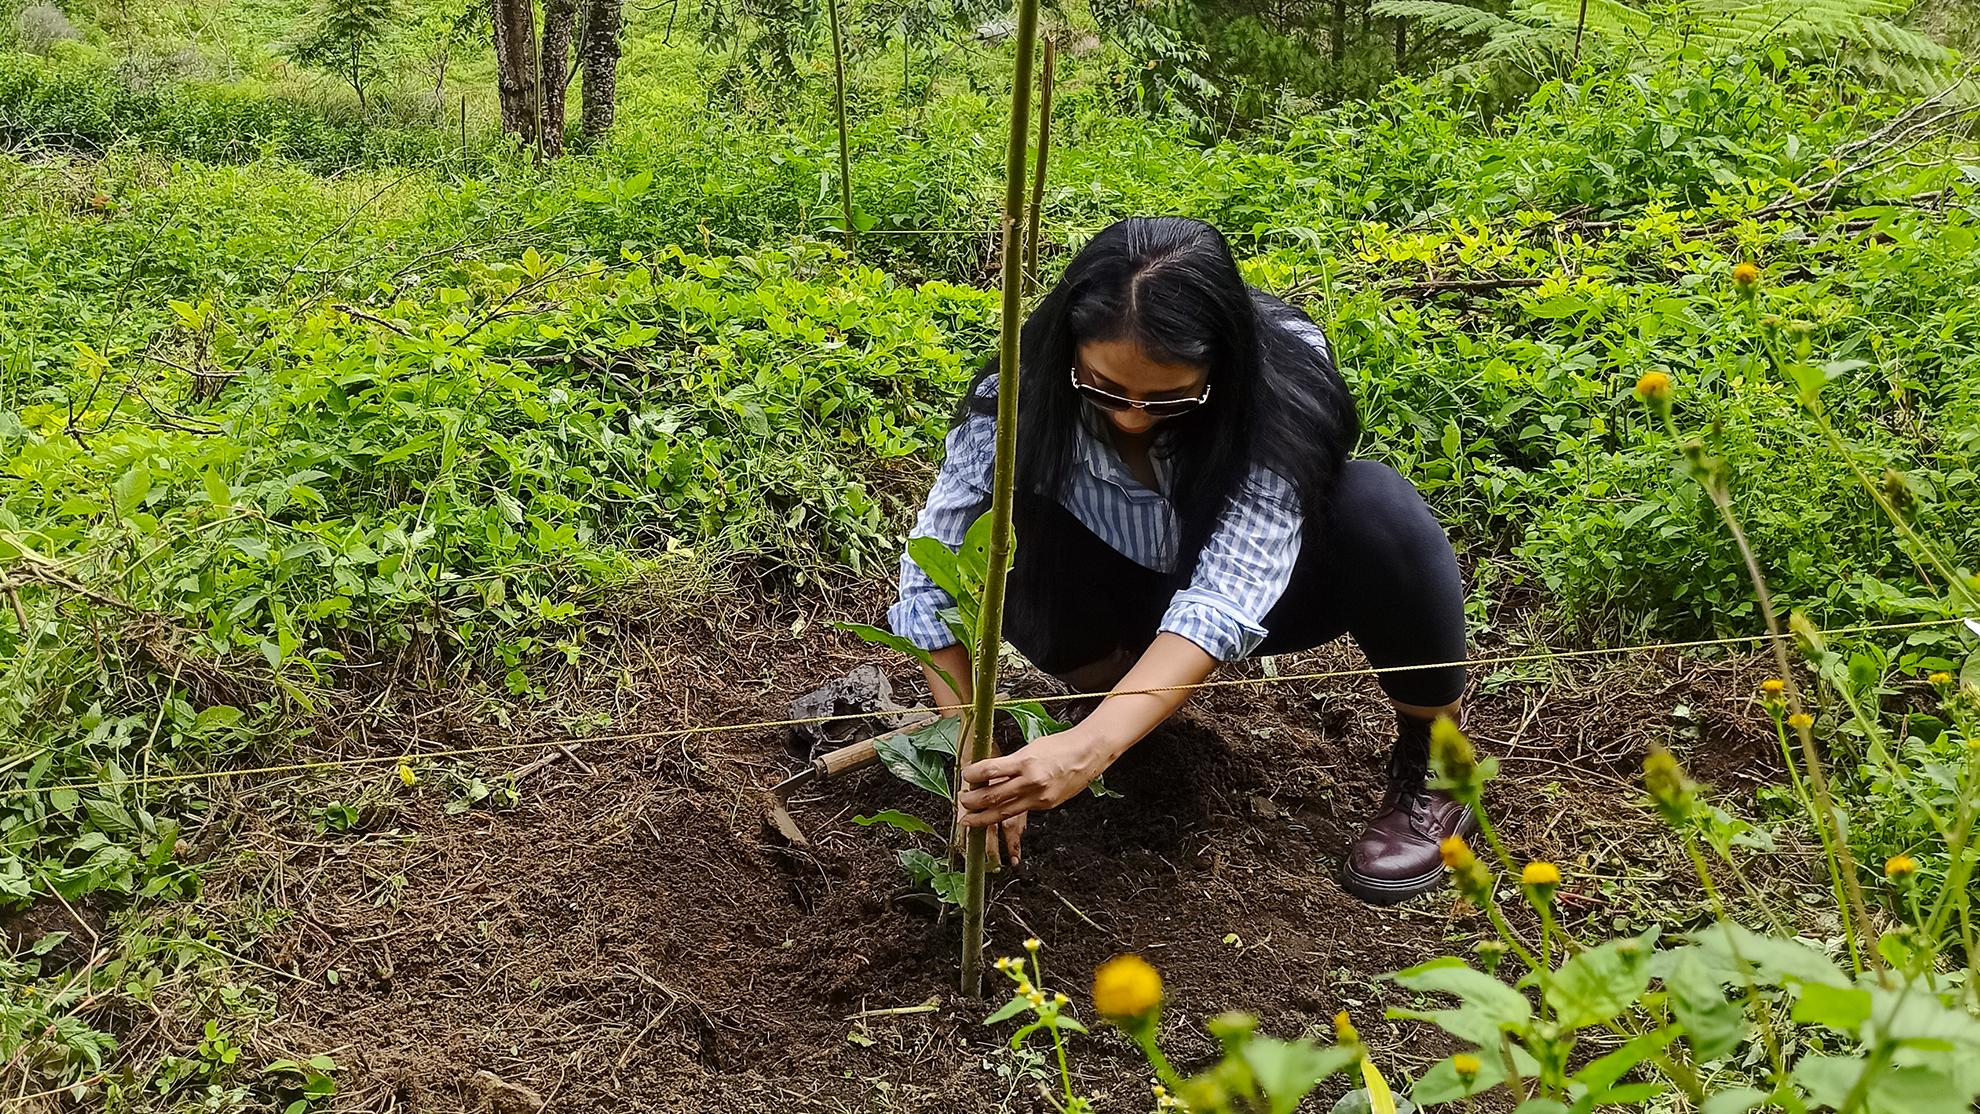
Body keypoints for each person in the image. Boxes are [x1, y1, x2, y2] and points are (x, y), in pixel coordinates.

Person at [885, 216, 1473, 905]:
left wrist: (1087, 751)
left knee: (1378, 509)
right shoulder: (1018, 400)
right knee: (1013, 515)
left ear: (1222, 365)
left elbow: (1226, 593)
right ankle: (1118, 696)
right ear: (1071, 349)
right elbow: (931, 578)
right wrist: (970, 747)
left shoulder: (1280, 383)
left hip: (1274, 599)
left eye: (1169, 397)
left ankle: (1436, 760)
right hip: (1115, 595)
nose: (1133, 417)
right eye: (1106, 389)